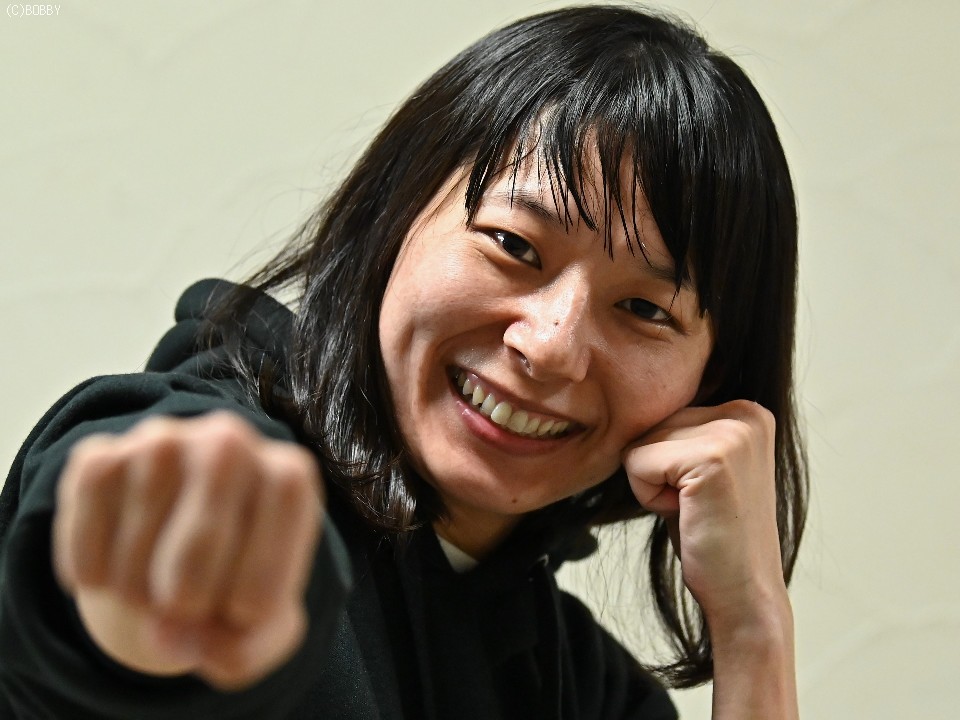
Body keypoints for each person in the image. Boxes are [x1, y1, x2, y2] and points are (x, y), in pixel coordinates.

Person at [0, 5, 807, 718]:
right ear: (394, 215)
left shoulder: (585, 689)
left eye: (645, 310)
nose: (550, 346)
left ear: (710, 383)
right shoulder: (216, 466)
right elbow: (84, 612)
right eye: (514, 244)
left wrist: (753, 630)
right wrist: (144, 579)